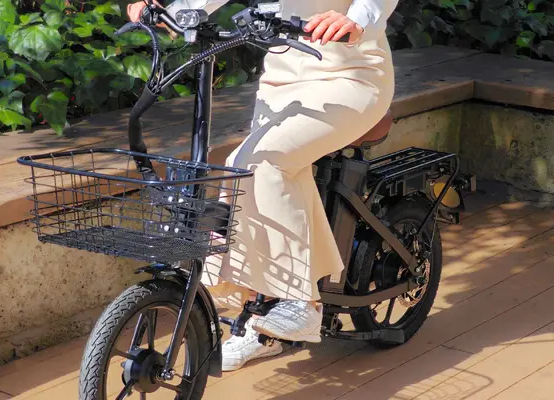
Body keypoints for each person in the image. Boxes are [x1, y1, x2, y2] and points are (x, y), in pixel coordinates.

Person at [127, 0, 397, 371]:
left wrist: (356, 19)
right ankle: (262, 317)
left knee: (261, 164)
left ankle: (299, 301)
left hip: (350, 73)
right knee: (245, 172)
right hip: (283, 81)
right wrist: (176, 9)